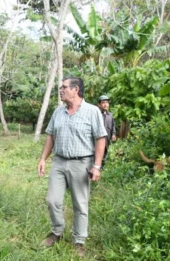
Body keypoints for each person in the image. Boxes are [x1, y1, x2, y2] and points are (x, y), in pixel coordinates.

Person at [37, 76, 107, 257]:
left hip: (81, 163)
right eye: (61, 87)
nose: (61, 90)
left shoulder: (92, 111)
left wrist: (97, 166)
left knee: (80, 205)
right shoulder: (58, 112)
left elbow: (100, 139)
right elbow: (50, 136)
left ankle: (79, 241)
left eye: (64, 87)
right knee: (52, 200)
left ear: (76, 90)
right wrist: (43, 159)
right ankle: (57, 232)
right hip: (59, 161)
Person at [97, 95, 116, 166]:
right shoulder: (97, 114)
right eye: (103, 102)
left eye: (107, 102)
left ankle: (103, 171)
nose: (105, 104)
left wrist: (113, 134)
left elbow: (113, 125)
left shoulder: (110, 115)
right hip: (98, 140)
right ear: (99, 104)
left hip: (107, 140)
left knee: (105, 155)